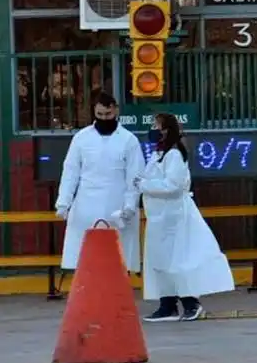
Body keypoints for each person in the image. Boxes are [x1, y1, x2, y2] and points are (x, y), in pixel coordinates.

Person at [138, 113, 235, 322]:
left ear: (166, 129)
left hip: (174, 216)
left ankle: (191, 303)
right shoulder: (159, 154)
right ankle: (167, 304)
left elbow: (172, 186)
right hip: (159, 217)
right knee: (161, 261)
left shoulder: (174, 155)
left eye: (157, 125)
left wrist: (143, 185)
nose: (153, 129)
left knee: (178, 260)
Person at [55, 93, 144, 276]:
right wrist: (63, 202)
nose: (104, 118)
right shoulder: (81, 138)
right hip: (86, 206)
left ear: (116, 111)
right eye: (100, 114)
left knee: (118, 260)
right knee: (86, 260)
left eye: (108, 114)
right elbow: (71, 172)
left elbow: (135, 176)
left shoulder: (129, 140)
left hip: (118, 207)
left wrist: (130, 205)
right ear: (94, 112)